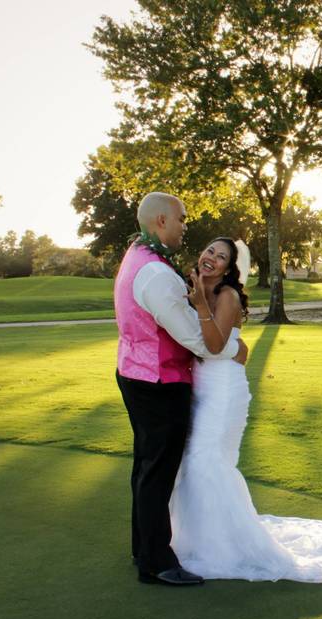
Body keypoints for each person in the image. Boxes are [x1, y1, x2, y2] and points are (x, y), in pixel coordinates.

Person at [170, 237, 322, 588]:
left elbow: (213, 345)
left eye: (221, 257)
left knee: (203, 462)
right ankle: (204, 538)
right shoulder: (194, 288)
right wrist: (197, 304)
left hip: (223, 390)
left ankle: (219, 548)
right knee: (205, 463)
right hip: (204, 386)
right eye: (209, 250)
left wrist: (200, 308)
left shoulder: (227, 296)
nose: (211, 258)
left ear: (229, 268)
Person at [114, 192, 248, 587]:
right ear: (160, 221)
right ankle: (155, 561)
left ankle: (144, 548)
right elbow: (198, 340)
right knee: (157, 472)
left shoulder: (136, 257)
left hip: (139, 374)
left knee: (146, 467)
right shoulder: (155, 273)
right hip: (157, 380)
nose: (185, 226)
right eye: (182, 219)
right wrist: (234, 348)